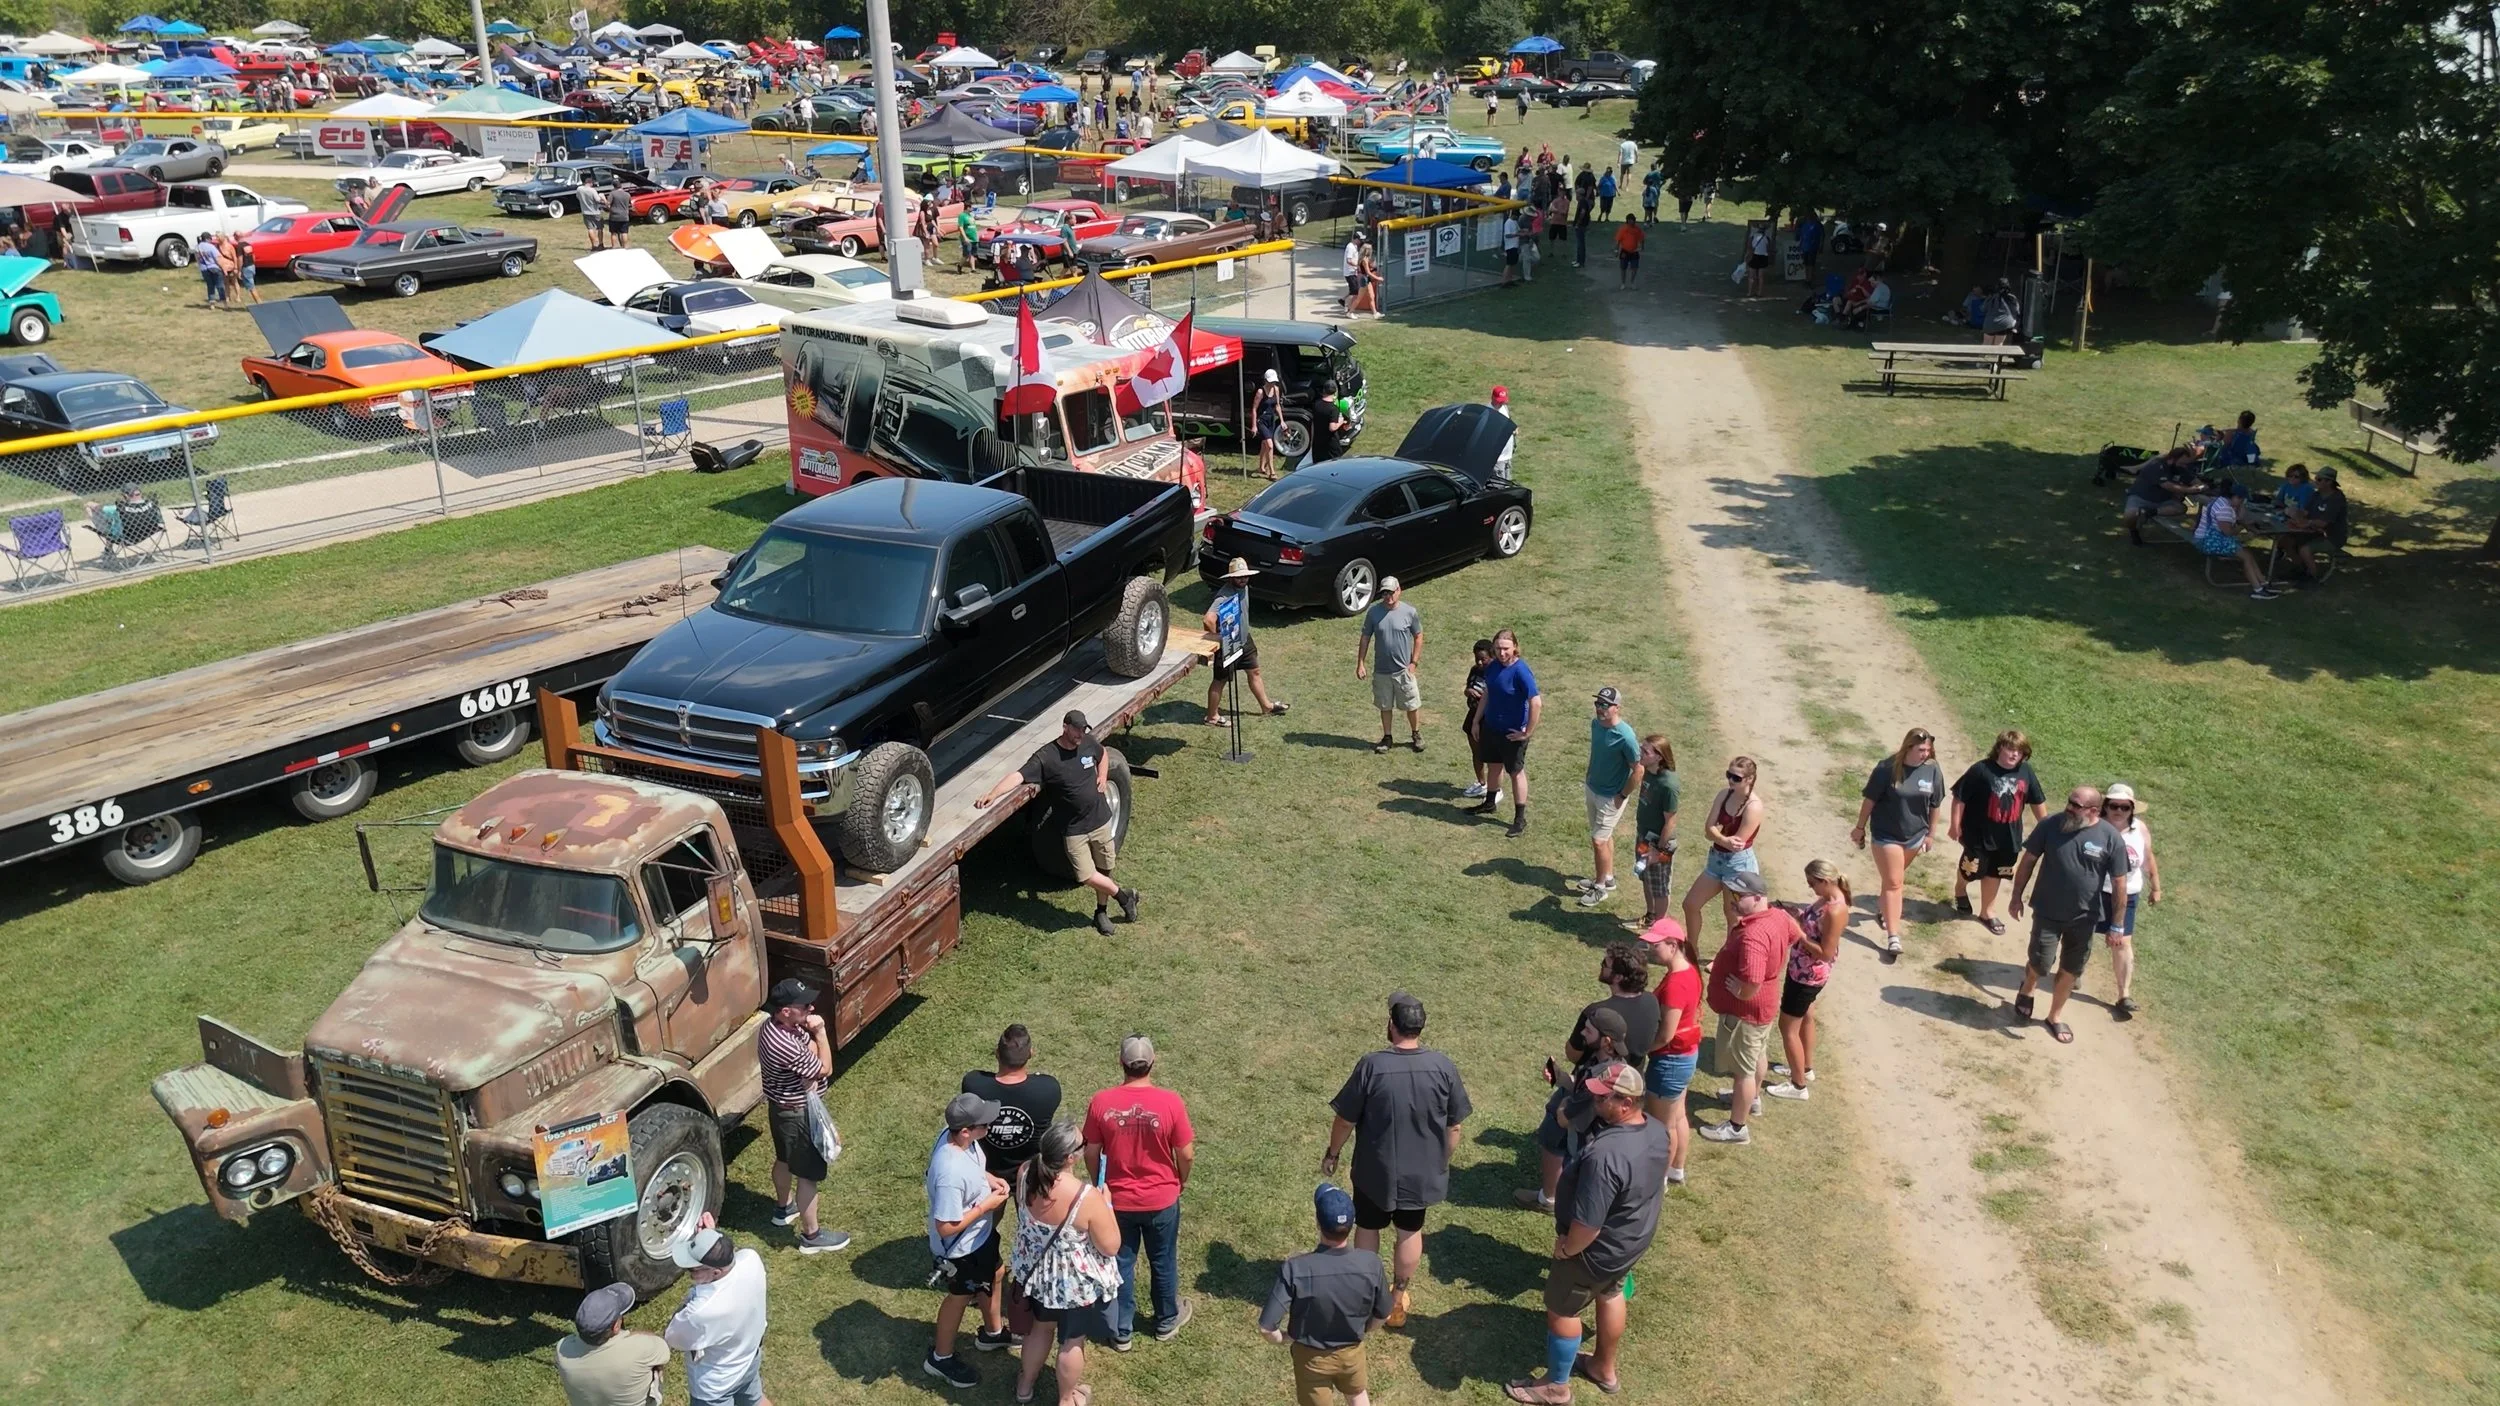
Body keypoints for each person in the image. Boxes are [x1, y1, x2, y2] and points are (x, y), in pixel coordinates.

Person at [1503, 1061, 1670, 1404]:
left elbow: (1588, 1225)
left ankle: (1556, 1387)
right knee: (1610, 1294)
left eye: (1603, 1097)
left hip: (1594, 1252)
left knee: (1563, 1310)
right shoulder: (1656, 1129)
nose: (1595, 1102)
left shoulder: (1606, 1155)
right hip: (1630, 1242)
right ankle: (1602, 1368)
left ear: (1626, 1103)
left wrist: (1567, 1250)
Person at [1321, 991, 1472, 1329]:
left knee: (1368, 1227)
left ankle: (1364, 1293)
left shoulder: (1372, 1065)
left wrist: (1333, 1153)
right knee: (1409, 1230)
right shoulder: (1443, 1066)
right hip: (1421, 1175)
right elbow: (1456, 1125)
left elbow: (1345, 1119)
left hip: (1375, 1171)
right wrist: (1441, 1160)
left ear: (1391, 1025)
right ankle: (1396, 1300)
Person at [974, 709, 1139, 937]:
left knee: (1105, 867)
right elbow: (1018, 776)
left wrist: (1102, 776)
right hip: (1074, 829)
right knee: (1085, 875)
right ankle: (1123, 895)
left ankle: (1101, 912)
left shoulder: (1088, 742)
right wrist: (993, 794)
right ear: (1065, 727)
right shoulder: (1047, 757)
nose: (1081, 733)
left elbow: (1103, 756)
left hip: (1100, 820)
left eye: (1083, 729)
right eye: (1077, 729)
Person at [1084, 1035, 1197, 1347]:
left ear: (1121, 1063)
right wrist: (1180, 1180)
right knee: (1163, 1260)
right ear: (1152, 1062)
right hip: (1162, 1199)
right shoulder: (1171, 1101)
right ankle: (1165, 1320)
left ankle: (1121, 1330)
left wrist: (1098, 1185)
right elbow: (1186, 1153)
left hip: (1117, 1202)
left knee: (1121, 1261)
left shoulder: (1102, 1102)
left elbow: (1091, 1151)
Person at [1009, 1121, 1124, 1406]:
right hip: (1072, 1285)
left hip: (1035, 1275)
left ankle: (1025, 1386)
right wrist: (1107, 1204)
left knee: (1039, 1329)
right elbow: (1110, 1246)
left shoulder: (1025, 1172)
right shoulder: (1085, 1197)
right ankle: (1066, 1398)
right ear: (1071, 1158)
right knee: (1072, 1341)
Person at [2008, 787, 2130, 1044]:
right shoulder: (2050, 825)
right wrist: (2016, 895)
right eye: (2069, 801)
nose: (2069, 808)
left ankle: (2054, 1016)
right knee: (2041, 963)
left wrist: (2117, 925)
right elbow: (2029, 860)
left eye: (2076, 805)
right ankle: (2028, 988)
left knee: (2071, 969)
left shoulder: (2110, 839)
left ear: (2094, 811)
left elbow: (2120, 883)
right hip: (2047, 910)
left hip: (2084, 917)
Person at [962, 1025, 1060, 1342]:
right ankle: (1031, 1294)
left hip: (986, 1175)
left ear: (996, 1054)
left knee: (980, 1232)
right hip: (1029, 1175)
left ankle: (975, 1284)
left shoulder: (974, 1084)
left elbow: (979, 1077)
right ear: (1030, 1053)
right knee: (1035, 1235)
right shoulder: (1048, 1090)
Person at [1261, 1184, 1393, 1406]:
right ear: (1351, 1225)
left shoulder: (1296, 1269)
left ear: (1317, 1223)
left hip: (1311, 1359)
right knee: (1357, 1394)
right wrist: (1364, 1328)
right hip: (1352, 1353)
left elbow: (1266, 1327)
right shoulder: (1371, 1263)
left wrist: (1285, 1338)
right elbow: (1383, 1315)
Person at [1696, 868, 1800, 1145]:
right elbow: (1794, 934)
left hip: (1746, 1013)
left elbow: (1752, 979)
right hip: (1764, 1008)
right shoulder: (1779, 916)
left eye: (1738, 895)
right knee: (1757, 1055)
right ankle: (1752, 1099)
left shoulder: (1753, 935)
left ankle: (1736, 1128)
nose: (1731, 899)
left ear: (1756, 898)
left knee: (1743, 1071)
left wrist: (1742, 994)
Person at [924, 1092, 1013, 1388]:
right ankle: (940, 1357)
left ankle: (992, 1332)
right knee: (959, 1298)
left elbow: (973, 1166)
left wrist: (988, 1179)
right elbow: (946, 1226)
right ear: (965, 1131)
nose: (989, 1128)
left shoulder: (958, 1141)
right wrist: (986, 1206)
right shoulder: (950, 1173)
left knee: (996, 1273)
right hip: (962, 1249)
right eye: (984, 1125)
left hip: (980, 1240)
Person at [756, 978, 851, 1253]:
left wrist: (811, 1055)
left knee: (784, 1160)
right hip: (798, 1116)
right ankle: (812, 1236)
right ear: (786, 1011)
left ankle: (783, 1208)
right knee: (808, 1175)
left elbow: (811, 1057)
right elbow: (825, 1068)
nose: (811, 1008)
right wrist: (820, 1033)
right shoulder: (785, 1043)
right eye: (805, 1005)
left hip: (781, 1110)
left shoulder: (772, 1027)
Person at [1852, 727, 1943, 957]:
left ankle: (1885, 910)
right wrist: (1860, 827)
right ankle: (1894, 936)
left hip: (1915, 836)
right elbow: (1869, 800)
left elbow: (1935, 805)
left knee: (1892, 880)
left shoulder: (1932, 770)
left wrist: (1930, 835)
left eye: (1928, 750)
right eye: (1921, 749)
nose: (1925, 754)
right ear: (1908, 747)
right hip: (1887, 835)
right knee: (1894, 883)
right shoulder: (1887, 768)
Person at [1765, 860, 1851, 1100]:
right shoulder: (1826, 900)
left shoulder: (1835, 910)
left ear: (1825, 881)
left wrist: (1798, 933)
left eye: (1813, 884)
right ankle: (1805, 1067)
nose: (1811, 888)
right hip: (1802, 971)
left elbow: (1825, 952)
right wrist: (1793, 912)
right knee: (1807, 1017)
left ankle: (1798, 1085)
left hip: (1807, 976)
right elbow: (1812, 923)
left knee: (1787, 1027)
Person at [1951, 728, 2046, 938]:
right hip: (1978, 834)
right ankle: (1960, 889)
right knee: (1971, 869)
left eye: (2019, 752)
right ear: (1999, 748)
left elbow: (2037, 801)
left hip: (2008, 837)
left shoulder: (2026, 772)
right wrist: (1955, 825)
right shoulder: (1981, 770)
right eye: (2010, 749)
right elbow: (1960, 797)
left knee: (1995, 872)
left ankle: (1987, 912)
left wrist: (2047, 829)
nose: (2014, 755)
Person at [665, 1222, 770, 1406]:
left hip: (716, 1385)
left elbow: (673, 1338)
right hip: (749, 1358)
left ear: (715, 1272)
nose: (689, 1274)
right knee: (755, 1401)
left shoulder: (701, 1312)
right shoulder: (751, 1259)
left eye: (693, 1269)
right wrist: (711, 1241)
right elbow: (730, 1256)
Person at [1464, 629, 1540, 839]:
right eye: (1498, 648)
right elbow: (1488, 692)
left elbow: (1536, 702)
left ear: (1515, 647)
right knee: (1493, 765)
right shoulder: (1493, 666)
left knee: (1516, 772)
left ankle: (1519, 818)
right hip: (1492, 728)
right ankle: (1489, 803)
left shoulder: (1521, 671)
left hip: (1512, 733)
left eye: (1505, 648)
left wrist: (1526, 732)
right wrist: (1477, 721)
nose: (1501, 652)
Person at [1681, 756, 1764, 946]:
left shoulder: (1754, 806)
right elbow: (1708, 830)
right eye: (1729, 775)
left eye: (1736, 778)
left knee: (1732, 915)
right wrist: (1720, 837)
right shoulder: (1723, 795)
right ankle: (1692, 949)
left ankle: (1726, 958)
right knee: (1690, 904)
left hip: (1738, 866)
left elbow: (1737, 843)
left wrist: (1717, 834)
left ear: (1749, 779)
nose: (1730, 780)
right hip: (1717, 861)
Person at [1641, 917, 1700, 1186]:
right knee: (1677, 1117)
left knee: (1660, 1127)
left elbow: (1666, 1034)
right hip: (1685, 1057)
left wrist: (1642, 1048)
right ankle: (1676, 1169)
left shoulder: (1677, 984)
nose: (1652, 950)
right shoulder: (1688, 971)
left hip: (1670, 1062)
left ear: (1673, 945)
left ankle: (1658, 1179)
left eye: (1656, 945)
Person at [2096, 783, 2161, 1020]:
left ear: (2132, 809)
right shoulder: (2096, 826)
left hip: (2128, 895)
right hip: (2095, 891)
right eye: (2113, 805)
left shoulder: (2140, 829)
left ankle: (2124, 995)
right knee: (2079, 935)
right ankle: (2074, 972)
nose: (2119, 811)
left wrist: (2156, 886)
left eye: (2125, 807)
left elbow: (2148, 857)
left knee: (2122, 942)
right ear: (2105, 806)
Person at [1202, 557, 1288, 724]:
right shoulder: (1224, 596)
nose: (1243, 579)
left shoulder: (1245, 587)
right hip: (1228, 644)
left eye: (1245, 576)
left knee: (1254, 671)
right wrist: (1217, 643)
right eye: (1239, 577)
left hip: (1244, 640)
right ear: (1231, 578)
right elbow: (1208, 620)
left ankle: (1267, 706)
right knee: (1220, 680)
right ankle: (1212, 716)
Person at [1578, 687, 1642, 907]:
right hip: (1592, 788)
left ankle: (1600, 887)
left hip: (1610, 797)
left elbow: (1638, 769)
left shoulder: (1626, 736)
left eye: (1605, 705)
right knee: (1604, 837)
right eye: (1598, 704)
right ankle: (1608, 877)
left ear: (1617, 708)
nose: (1599, 708)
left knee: (1599, 841)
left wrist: (1622, 795)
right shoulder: (1596, 724)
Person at [557, 1282, 668, 1406]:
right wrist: (629, 1335)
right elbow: (663, 1350)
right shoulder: (641, 1348)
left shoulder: (563, 1349)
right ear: (616, 1326)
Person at [1356, 577, 1423, 753]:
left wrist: (1413, 663)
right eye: (1385, 593)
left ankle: (1416, 734)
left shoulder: (1409, 612)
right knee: (1385, 705)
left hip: (1403, 670)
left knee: (1411, 704)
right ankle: (1387, 737)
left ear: (1399, 590)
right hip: (1382, 671)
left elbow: (1418, 636)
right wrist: (1360, 663)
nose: (1388, 597)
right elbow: (1365, 638)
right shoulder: (1374, 612)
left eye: (1391, 592)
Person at [2193, 478, 2282, 599]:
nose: (2242, 502)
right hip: (2207, 541)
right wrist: (2243, 529)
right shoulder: (2224, 509)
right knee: (2245, 557)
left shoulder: (2221, 501)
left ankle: (2263, 582)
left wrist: (2240, 510)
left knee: (2248, 554)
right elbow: (2229, 532)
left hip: (2210, 537)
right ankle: (2258, 590)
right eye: (2242, 499)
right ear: (2235, 497)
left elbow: (2238, 517)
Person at [1631, 736, 1680, 930]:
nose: (1640, 754)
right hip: (1644, 836)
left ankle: (1659, 929)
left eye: (1646, 751)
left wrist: (1657, 851)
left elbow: (1670, 822)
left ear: (1659, 757)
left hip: (1659, 844)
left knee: (1660, 887)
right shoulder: (1648, 772)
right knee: (1645, 876)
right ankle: (1650, 915)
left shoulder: (1668, 785)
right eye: (1641, 749)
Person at [2122, 446, 2199, 544]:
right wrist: (2190, 489)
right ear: (2172, 460)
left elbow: (2195, 481)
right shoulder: (2156, 466)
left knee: (2181, 508)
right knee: (2129, 516)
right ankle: (2133, 531)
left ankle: (2150, 512)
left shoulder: (2181, 468)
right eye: (2182, 463)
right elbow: (2168, 486)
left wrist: (2203, 486)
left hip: (2163, 501)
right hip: (2140, 497)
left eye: (2187, 464)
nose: (2185, 467)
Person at [2285, 465, 2348, 578]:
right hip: (2314, 532)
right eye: (2316, 479)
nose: (2316, 482)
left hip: (2332, 537)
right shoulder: (2316, 494)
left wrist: (2307, 523)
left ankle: (2313, 577)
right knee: (2286, 540)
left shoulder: (2337, 498)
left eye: (2319, 479)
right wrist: (2295, 512)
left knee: (2305, 549)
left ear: (2329, 482)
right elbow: (2305, 512)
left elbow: (2324, 523)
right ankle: (2300, 568)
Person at [1461, 638, 1498, 798]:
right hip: (1473, 714)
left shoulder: (1497, 673)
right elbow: (1468, 687)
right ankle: (1481, 783)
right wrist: (1468, 692)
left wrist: (1484, 697)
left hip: (1490, 718)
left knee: (1491, 755)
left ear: (1493, 656)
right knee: (1476, 752)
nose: (1480, 662)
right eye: (1477, 659)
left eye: (1484, 659)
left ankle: (1494, 787)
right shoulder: (1475, 670)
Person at [1251, 367, 1287, 478]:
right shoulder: (1260, 392)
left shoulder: (1276, 389)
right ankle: (1272, 472)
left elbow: (1277, 405)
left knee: (1264, 444)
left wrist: (1281, 420)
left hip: (1271, 419)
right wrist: (1254, 425)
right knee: (1270, 446)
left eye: (1274, 382)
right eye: (1271, 382)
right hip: (1261, 420)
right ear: (1266, 381)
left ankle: (1261, 467)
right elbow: (1254, 409)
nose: (1272, 384)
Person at [196, 230, 226, 309]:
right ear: (207, 239)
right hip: (214, 267)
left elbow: (197, 259)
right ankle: (224, 303)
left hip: (204, 269)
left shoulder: (197, 247)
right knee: (220, 286)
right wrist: (223, 268)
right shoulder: (211, 247)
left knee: (210, 286)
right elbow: (217, 259)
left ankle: (212, 304)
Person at [1612, 213, 1643, 289]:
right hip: (1625, 251)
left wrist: (1642, 246)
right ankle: (1623, 283)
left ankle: (1632, 282)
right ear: (1628, 221)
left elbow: (1642, 238)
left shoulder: (1637, 229)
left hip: (1634, 251)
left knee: (1635, 268)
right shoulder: (1623, 229)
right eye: (1632, 220)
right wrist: (1616, 250)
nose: (1634, 222)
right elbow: (1618, 240)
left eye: (1634, 220)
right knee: (1623, 268)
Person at [1490, 383, 1514, 479]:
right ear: (1492, 398)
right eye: (1498, 401)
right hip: (1497, 459)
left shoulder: (1504, 408)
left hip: (1507, 456)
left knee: (1507, 485)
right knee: (1498, 487)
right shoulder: (1489, 413)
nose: (1501, 404)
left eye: (1502, 401)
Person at [606, 181, 636, 248]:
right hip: (624, 216)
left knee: (613, 233)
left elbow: (608, 204)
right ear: (621, 186)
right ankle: (625, 246)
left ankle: (614, 247)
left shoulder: (612, 194)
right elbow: (630, 205)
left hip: (614, 217)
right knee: (624, 232)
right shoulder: (627, 194)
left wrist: (610, 209)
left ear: (614, 186)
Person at [1745, 222, 1771, 297]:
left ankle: (1749, 292)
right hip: (1763, 257)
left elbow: (1749, 247)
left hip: (1754, 256)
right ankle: (1759, 292)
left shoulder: (1753, 237)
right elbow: (1768, 249)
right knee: (1761, 276)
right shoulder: (1767, 238)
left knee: (1751, 276)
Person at [1343, 231, 1365, 312]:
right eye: (1360, 239)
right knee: (1354, 292)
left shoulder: (1354, 246)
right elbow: (1349, 260)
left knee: (1353, 290)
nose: (1361, 241)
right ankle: (1347, 307)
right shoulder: (1350, 247)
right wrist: (1357, 265)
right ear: (1355, 239)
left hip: (1353, 272)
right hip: (1350, 272)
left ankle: (1344, 301)